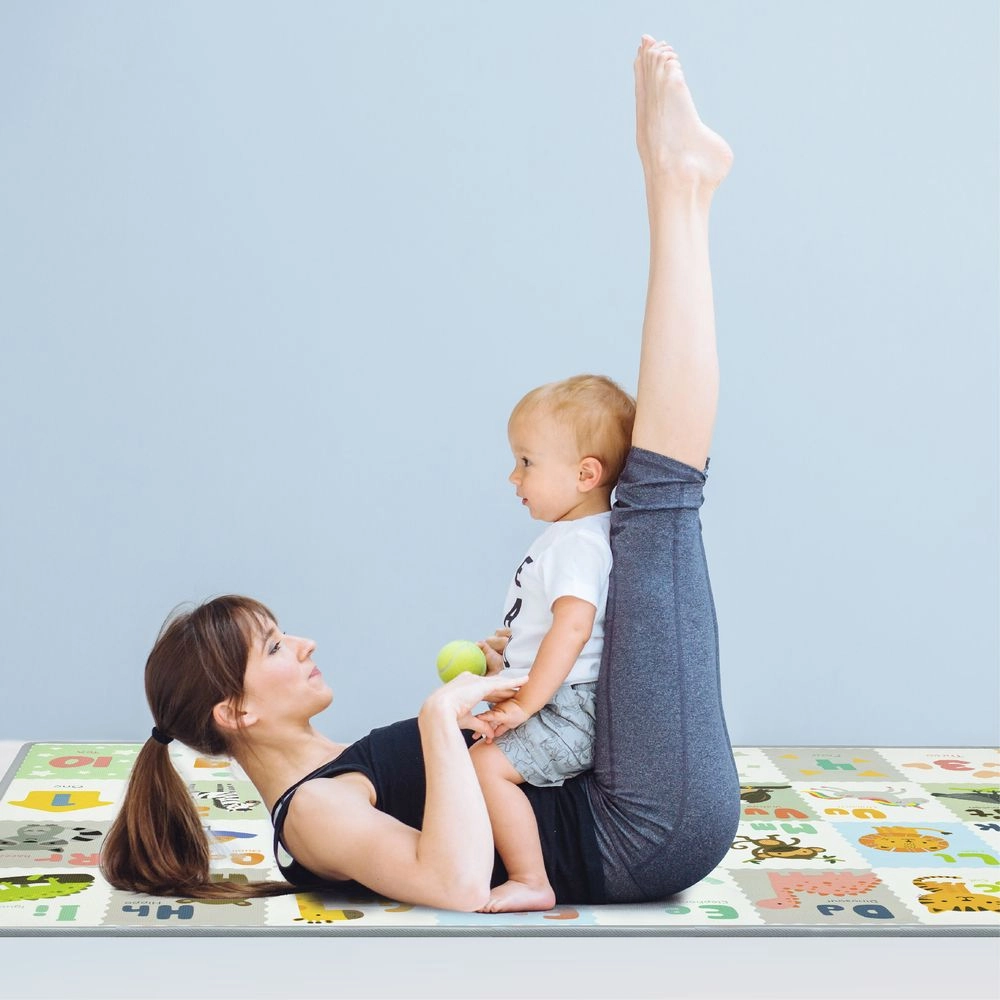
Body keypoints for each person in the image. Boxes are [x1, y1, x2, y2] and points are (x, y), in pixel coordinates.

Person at [100, 35, 742, 909]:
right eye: (277, 647)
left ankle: (682, 187)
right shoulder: (312, 815)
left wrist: (498, 667)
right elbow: (450, 885)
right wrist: (446, 717)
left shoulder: (337, 771)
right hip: (643, 829)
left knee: (641, 510)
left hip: (623, 795)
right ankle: (678, 185)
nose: (308, 643)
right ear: (234, 713)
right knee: (658, 504)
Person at [468, 374, 635, 913]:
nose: (512, 476)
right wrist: (506, 660)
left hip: (569, 705)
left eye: (526, 462)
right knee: (472, 752)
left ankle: (530, 877)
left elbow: (573, 630)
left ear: (586, 473)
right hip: (556, 693)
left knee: (485, 766)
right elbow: (549, 629)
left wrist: (525, 702)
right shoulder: (570, 538)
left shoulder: (579, 544)